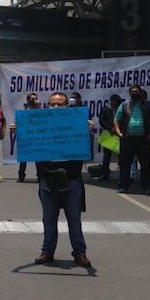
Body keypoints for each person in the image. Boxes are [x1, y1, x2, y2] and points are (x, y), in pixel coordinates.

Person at [34, 92, 92, 267]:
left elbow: (87, 151)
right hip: (48, 179)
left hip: (71, 179)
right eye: (52, 104)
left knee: (74, 219)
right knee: (49, 219)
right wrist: (20, 131)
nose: (56, 107)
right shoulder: (40, 126)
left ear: (67, 106)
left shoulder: (77, 126)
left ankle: (80, 253)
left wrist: (87, 131)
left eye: (60, 104)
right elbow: (29, 143)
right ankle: (47, 251)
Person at [114, 84, 150, 194]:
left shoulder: (148, 105)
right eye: (132, 91)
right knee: (124, 164)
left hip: (143, 139)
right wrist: (118, 132)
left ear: (140, 92)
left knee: (145, 164)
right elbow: (116, 119)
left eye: (136, 91)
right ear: (129, 93)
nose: (134, 93)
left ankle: (146, 186)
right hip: (127, 139)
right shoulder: (124, 105)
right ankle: (124, 184)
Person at [14, 92, 40, 182]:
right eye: (32, 99)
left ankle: (39, 175)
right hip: (25, 136)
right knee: (24, 157)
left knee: (38, 157)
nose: (33, 100)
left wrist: (38, 108)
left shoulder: (39, 109)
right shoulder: (24, 109)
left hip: (36, 136)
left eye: (35, 98)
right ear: (28, 100)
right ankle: (21, 175)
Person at [97, 94, 121, 181]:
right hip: (108, 135)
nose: (112, 103)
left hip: (119, 135)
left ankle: (122, 175)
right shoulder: (105, 109)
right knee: (106, 156)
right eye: (112, 101)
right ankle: (105, 174)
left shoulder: (120, 109)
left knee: (121, 155)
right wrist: (110, 129)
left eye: (115, 102)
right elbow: (101, 121)